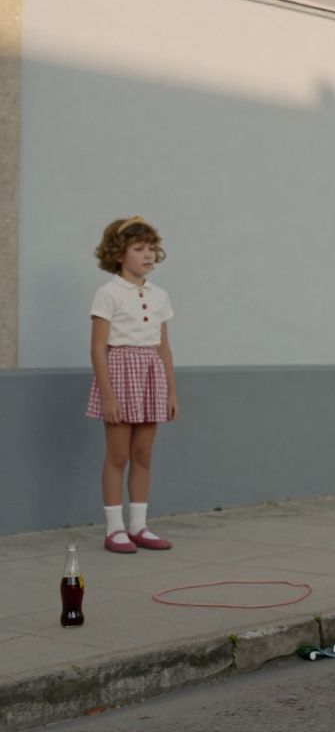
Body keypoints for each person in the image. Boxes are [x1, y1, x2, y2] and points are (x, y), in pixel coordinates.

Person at [87, 217, 178, 554]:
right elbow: (98, 347)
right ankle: (115, 529)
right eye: (139, 249)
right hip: (121, 373)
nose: (148, 255)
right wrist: (108, 395)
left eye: (152, 248)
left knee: (143, 454)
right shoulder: (108, 293)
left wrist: (170, 390)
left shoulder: (159, 296)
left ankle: (139, 525)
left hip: (150, 374)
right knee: (118, 454)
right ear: (118, 254)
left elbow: (163, 347)